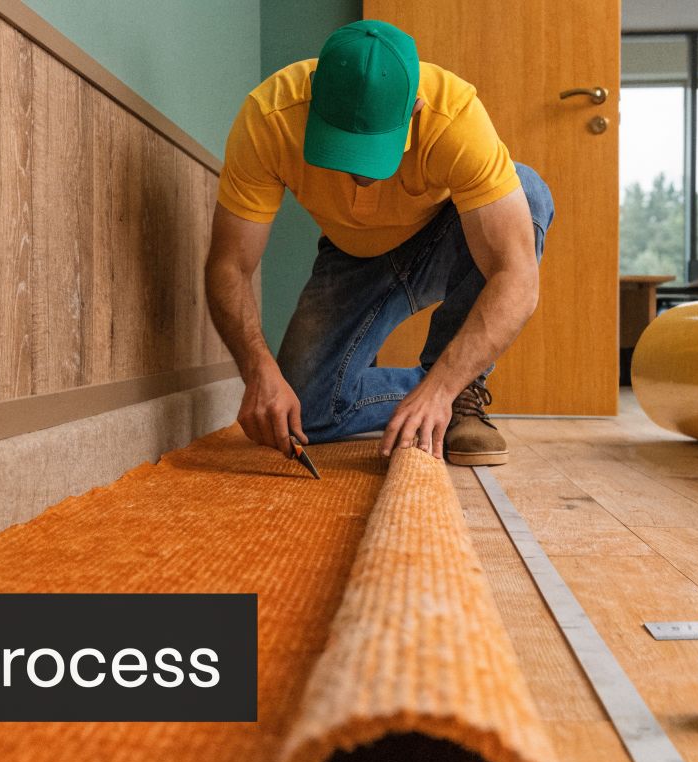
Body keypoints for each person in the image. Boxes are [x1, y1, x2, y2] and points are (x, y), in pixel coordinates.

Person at [204, 19, 553, 467]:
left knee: (524, 191)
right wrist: (258, 371)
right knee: (303, 414)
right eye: (342, 145)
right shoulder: (269, 117)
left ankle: (458, 394)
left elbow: (516, 275)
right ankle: (430, 392)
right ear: (314, 97)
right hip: (353, 253)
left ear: (415, 109)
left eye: (373, 148)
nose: (360, 172)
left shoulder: (455, 116)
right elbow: (229, 265)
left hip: (446, 236)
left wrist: (444, 387)